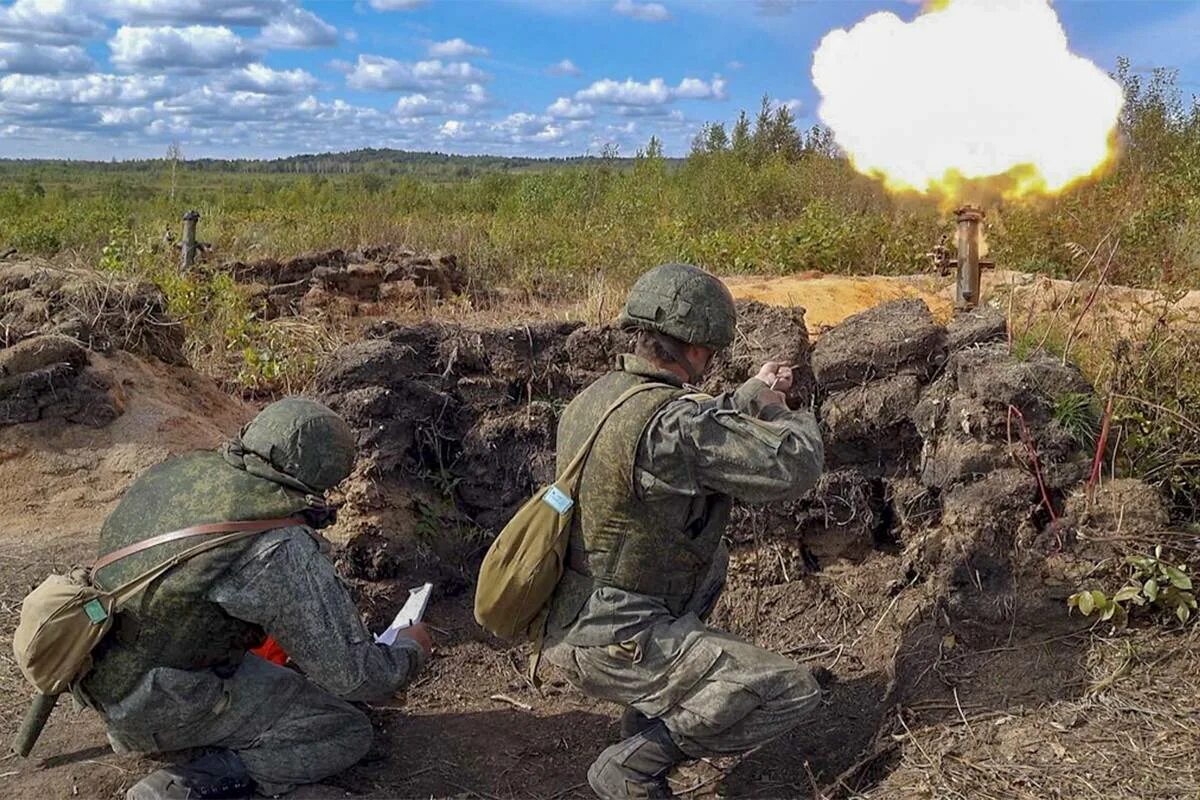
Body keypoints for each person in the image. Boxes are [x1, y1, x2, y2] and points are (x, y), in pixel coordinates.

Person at [542, 263, 826, 800]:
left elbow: (684, 433)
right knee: (791, 691)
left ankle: (645, 719)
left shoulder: (597, 399)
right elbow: (795, 464)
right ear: (696, 348)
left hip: (573, 618)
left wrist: (745, 397)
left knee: (708, 565)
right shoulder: (674, 423)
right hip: (622, 637)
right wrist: (776, 409)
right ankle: (633, 766)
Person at [74, 398, 432, 800]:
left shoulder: (177, 473)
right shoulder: (275, 543)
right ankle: (202, 780)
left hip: (95, 666)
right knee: (344, 729)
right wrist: (409, 648)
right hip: (160, 702)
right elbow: (356, 677)